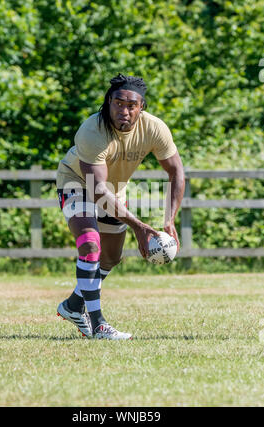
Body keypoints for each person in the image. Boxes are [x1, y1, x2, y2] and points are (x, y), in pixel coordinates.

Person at [56, 73, 185, 340]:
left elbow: (177, 173)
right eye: (118, 103)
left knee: (110, 258)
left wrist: (169, 220)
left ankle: (72, 305)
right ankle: (99, 325)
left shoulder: (154, 128)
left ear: (141, 108)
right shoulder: (92, 130)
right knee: (90, 244)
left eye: (131, 105)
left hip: (114, 191)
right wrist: (139, 226)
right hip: (78, 182)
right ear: (108, 102)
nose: (123, 111)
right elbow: (97, 189)